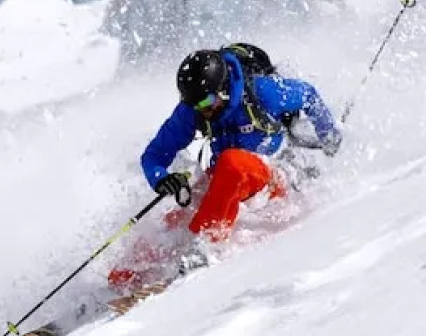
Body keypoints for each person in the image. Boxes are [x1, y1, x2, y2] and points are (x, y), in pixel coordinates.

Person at [142, 45, 342, 242]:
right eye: (193, 104)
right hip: (226, 180)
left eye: (205, 103)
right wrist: (161, 178)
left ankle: (203, 243)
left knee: (231, 164)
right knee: (176, 221)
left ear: (223, 89)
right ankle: (130, 272)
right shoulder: (194, 107)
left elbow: (307, 94)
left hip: (271, 175)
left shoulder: (263, 92)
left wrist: (328, 135)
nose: (200, 110)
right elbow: (154, 154)